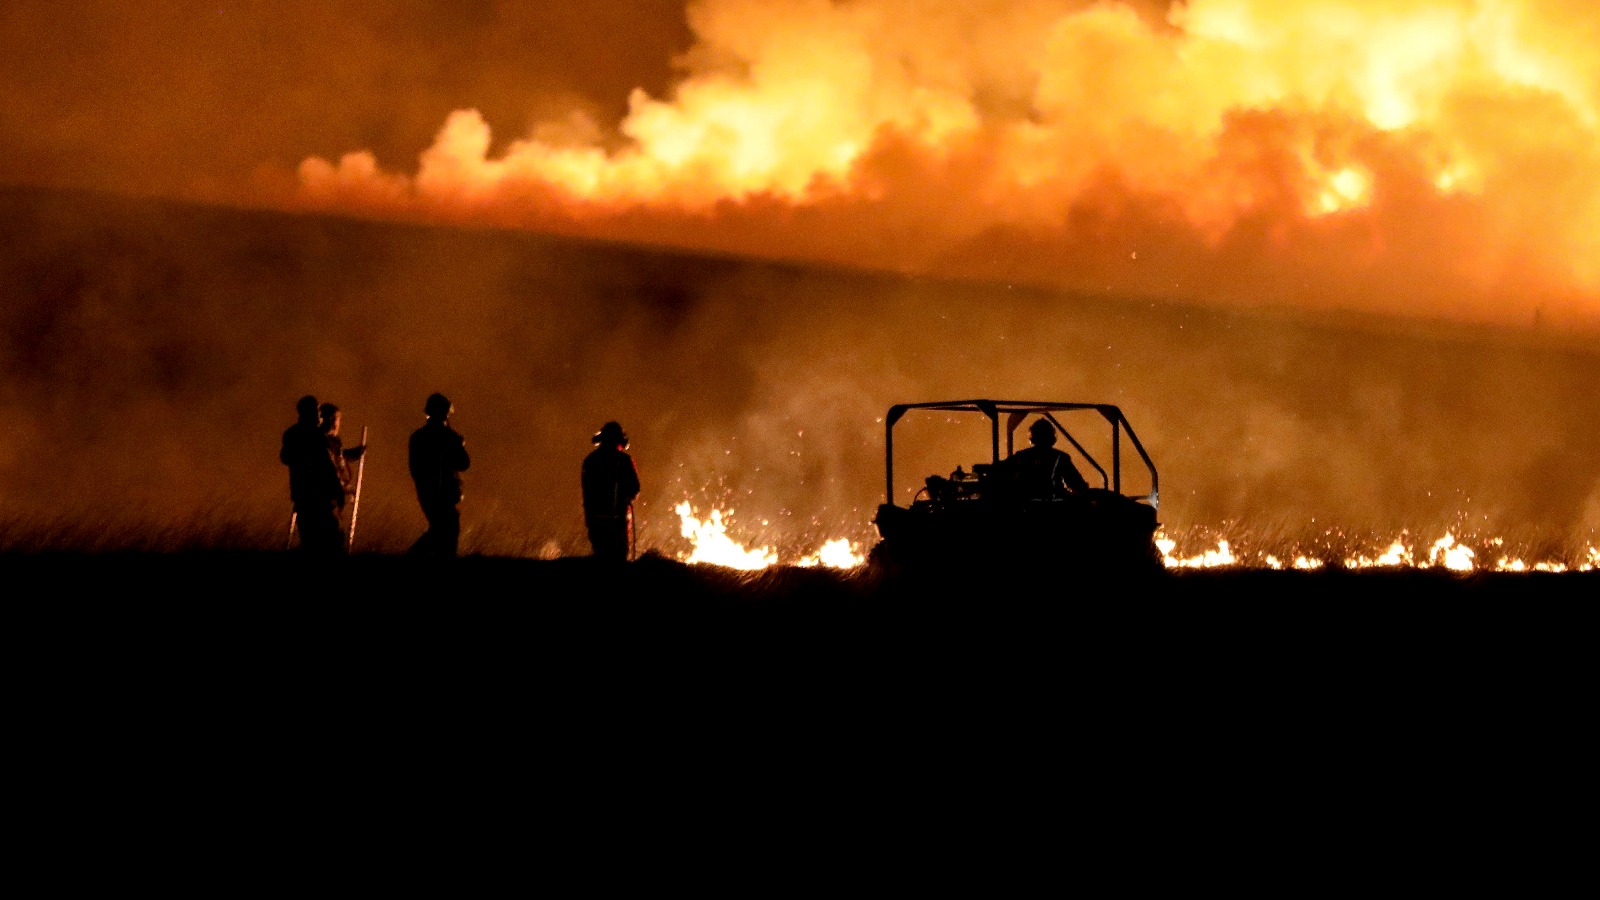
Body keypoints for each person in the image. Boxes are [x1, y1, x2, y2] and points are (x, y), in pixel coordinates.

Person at [407, 393, 470, 557]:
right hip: (445, 493)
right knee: (447, 530)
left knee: (440, 529)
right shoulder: (449, 437)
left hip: (427, 493)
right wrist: (459, 445)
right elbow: (463, 464)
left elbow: (415, 469)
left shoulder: (418, 437)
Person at [280, 394, 344, 554]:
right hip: (320, 499)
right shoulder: (316, 437)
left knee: (310, 541)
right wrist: (338, 489)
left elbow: (285, 457)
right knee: (332, 542)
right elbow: (326, 466)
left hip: (302, 497)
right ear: (310, 413)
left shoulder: (291, 434)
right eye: (317, 412)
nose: (320, 416)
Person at [582, 421, 640, 562]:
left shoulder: (590, 461)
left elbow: (586, 492)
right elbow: (635, 489)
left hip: (596, 521)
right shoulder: (624, 461)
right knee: (619, 560)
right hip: (618, 521)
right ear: (620, 440)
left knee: (601, 558)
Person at [1003, 418, 1089, 500]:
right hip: (1054, 504)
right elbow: (1076, 483)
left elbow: (1000, 469)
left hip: (1027, 504)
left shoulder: (1021, 456)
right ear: (1052, 437)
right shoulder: (1060, 457)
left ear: (1032, 437)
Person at [319, 403, 367, 542]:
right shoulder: (320, 440)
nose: (337, 423)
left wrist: (353, 454)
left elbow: (339, 458)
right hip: (324, 496)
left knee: (333, 534)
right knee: (331, 535)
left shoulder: (334, 441)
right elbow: (329, 464)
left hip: (333, 496)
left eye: (338, 419)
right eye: (336, 418)